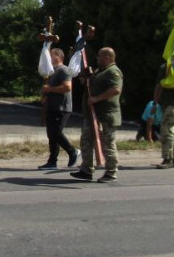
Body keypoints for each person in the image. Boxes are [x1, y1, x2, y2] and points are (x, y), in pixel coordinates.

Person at [70, 47, 123, 182]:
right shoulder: (100, 71)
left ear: (108, 57)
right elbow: (91, 84)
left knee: (107, 143)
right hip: (92, 115)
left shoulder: (113, 72)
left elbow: (116, 89)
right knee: (86, 141)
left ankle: (111, 171)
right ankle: (86, 169)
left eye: (100, 56)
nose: (97, 59)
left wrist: (97, 98)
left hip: (106, 114)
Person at [39, 48, 78, 169]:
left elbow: (67, 87)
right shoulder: (51, 72)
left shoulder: (63, 70)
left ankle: (73, 151)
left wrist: (49, 89)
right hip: (52, 106)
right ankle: (52, 161)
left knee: (55, 133)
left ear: (57, 56)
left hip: (62, 107)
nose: (48, 58)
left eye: (50, 55)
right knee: (51, 134)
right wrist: (45, 95)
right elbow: (49, 88)